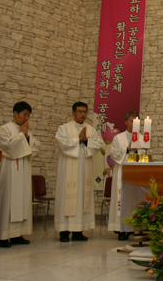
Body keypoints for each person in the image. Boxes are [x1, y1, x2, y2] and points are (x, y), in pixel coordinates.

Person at [0, 101, 40, 248]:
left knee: (22, 201)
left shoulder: (26, 131)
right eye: (24, 114)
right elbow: (8, 146)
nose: (26, 118)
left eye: (28, 116)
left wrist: (27, 137)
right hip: (8, 170)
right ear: (15, 113)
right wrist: (22, 135)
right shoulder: (4, 129)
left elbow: (35, 147)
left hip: (23, 170)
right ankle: (2, 236)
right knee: (7, 202)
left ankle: (17, 234)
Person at [55, 102, 104, 242]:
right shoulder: (64, 128)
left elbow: (98, 144)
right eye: (80, 111)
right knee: (67, 197)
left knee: (82, 197)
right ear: (73, 112)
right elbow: (62, 144)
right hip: (68, 170)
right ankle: (64, 231)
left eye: (85, 112)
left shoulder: (90, 129)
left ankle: (78, 231)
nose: (83, 114)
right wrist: (78, 140)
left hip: (84, 169)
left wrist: (86, 141)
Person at [108, 111, 146, 240]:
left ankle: (132, 227)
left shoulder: (142, 138)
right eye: (131, 121)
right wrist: (127, 149)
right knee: (121, 197)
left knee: (134, 199)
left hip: (136, 174)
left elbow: (144, 155)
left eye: (137, 121)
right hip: (122, 172)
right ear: (125, 122)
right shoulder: (118, 138)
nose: (134, 124)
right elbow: (114, 154)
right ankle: (120, 229)